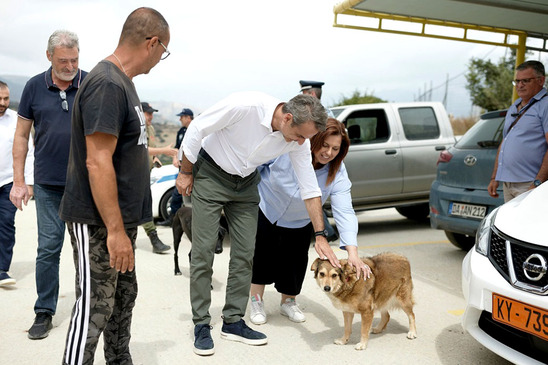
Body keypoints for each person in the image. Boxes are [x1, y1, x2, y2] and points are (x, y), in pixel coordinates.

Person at [176, 91, 337, 356]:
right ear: (286, 118)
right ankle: (202, 323)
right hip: (211, 174)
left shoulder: (299, 140)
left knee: (244, 254)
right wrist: (185, 171)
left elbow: (309, 187)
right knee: (204, 251)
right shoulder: (245, 106)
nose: (301, 143)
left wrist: (320, 234)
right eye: (299, 135)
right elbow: (197, 127)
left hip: (246, 182)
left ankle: (233, 321)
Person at [58, 8, 170, 365]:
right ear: (151, 43)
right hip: (98, 221)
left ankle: (119, 359)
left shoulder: (124, 82)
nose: (160, 58)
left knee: (122, 297)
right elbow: (97, 161)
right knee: (96, 305)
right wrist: (116, 231)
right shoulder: (107, 83)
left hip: (119, 221)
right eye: (163, 50)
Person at [249, 118, 371, 324]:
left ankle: (288, 302)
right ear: (315, 140)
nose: (328, 152)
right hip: (267, 209)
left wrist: (353, 253)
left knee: (295, 263)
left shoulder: (337, 171)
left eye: (335, 148)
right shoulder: (288, 149)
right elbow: (255, 167)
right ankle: (256, 300)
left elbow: (345, 210)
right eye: (324, 145)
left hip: (301, 220)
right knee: (261, 258)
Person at [10, 30, 87, 340]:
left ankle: (89, 306)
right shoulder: (33, 87)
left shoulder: (91, 83)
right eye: (63, 60)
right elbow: (20, 136)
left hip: (85, 184)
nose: (70, 66)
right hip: (47, 185)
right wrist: (18, 181)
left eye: (75, 60)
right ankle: (44, 311)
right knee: (48, 249)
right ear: (49, 57)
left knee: (86, 250)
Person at [488, 60, 548, 202]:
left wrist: (538, 182)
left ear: (541, 80)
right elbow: (505, 142)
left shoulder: (545, 105)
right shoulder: (515, 106)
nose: (520, 85)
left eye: (526, 81)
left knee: (529, 224)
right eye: (517, 81)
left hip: (530, 184)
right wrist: (495, 178)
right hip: (508, 183)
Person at [0, 81, 33, 286]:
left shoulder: (16, 121)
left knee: (5, 224)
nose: (3, 103)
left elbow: (29, 152)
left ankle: (2, 269)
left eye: (6, 98)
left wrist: (28, 183)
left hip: (8, 182)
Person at [300, 80, 338, 241]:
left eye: (304, 93)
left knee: (312, 197)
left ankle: (326, 233)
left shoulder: (323, 115)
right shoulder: (325, 112)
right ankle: (326, 233)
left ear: (311, 94)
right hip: (311, 164)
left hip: (317, 165)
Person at [140, 101, 175, 252]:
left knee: (142, 205)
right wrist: (163, 150)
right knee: (143, 205)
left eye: (152, 113)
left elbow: (150, 150)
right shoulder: (135, 128)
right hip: (133, 173)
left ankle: (130, 237)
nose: (151, 116)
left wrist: (155, 159)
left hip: (146, 172)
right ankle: (153, 239)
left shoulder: (151, 129)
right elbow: (140, 149)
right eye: (148, 113)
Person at [157, 107, 194, 226]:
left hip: (193, 171)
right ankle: (173, 220)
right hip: (182, 169)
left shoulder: (196, 131)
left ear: (189, 118)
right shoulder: (182, 131)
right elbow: (178, 147)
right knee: (177, 194)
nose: (180, 119)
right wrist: (175, 157)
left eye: (182, 117)